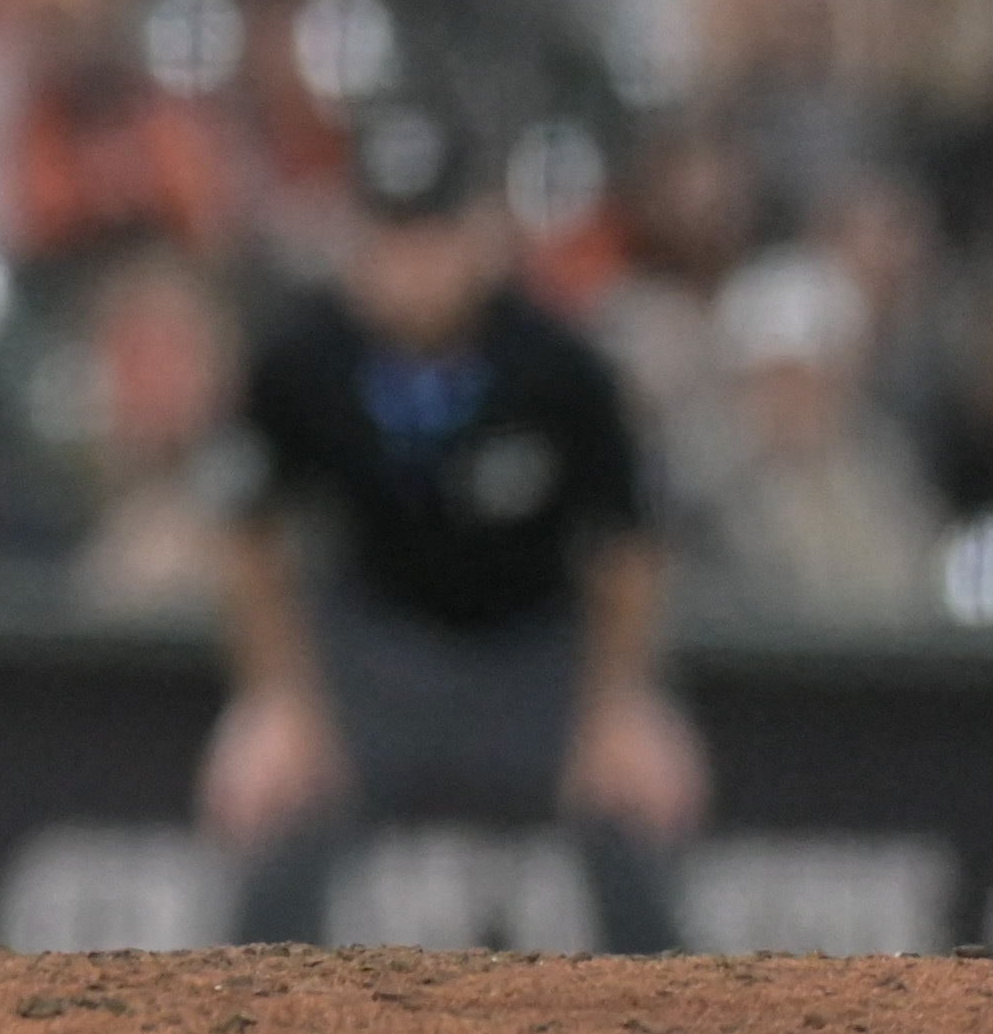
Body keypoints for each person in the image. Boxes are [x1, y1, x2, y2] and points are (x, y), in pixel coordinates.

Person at [203, 101, 704, 950]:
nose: (412, 263)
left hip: (533, 649)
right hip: (377, 643)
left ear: (481, 232)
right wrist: (275, 698)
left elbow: (628, 546)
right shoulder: (303, 361)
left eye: (431, 233)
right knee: (278, 803)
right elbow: (248, 533)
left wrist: (621, 702)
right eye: (390, 233)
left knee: (632, 801)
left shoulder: (556, 365)